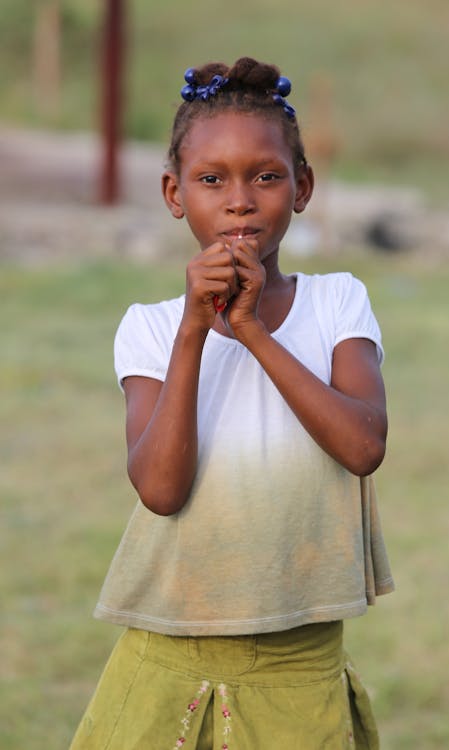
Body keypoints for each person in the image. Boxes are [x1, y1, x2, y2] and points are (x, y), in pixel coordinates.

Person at [69, 57, 394, 750]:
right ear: (174, 192)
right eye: (211, 180)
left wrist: (249, 329)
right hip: (171, 650)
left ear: (301, 186)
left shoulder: (337, 302)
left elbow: (364, 446)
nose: (239, 200)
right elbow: (159, 489)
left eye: (266, 176)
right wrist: (196, 327)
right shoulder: (152, 328)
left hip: (299, 659)